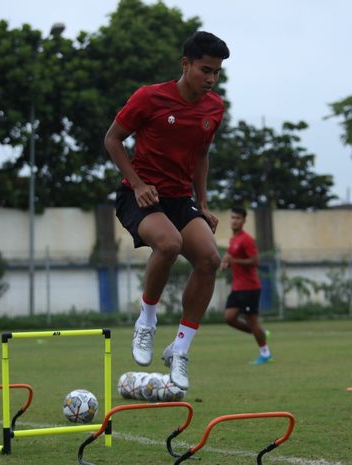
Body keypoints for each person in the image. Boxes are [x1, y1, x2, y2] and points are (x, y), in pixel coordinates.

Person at [104, 31, 230, 390]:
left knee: (209, 260)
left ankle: (180, 349)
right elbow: (112, 139)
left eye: (217, 73)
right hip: (140, 196)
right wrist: (139, 184)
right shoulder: (150, 97)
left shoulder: (214, 108)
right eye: (205, 69)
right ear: (185, 64)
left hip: (179, 200)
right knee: (170, 244)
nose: (211, 78)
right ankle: (146, 320)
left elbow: (202, 155)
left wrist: (202, 204)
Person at [219, 207, 272, 365]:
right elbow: (231, 259)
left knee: (252, 321)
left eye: (238, 218)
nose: (234, 220)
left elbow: (255, 261)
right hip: (237, 287)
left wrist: (234, 262)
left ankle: (265, 354)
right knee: (229, 318)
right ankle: (260, 333)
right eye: (233, 217)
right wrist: (226, 264)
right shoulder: (233, 240)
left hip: (249, 287)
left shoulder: (246, 239)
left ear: (244, 221)